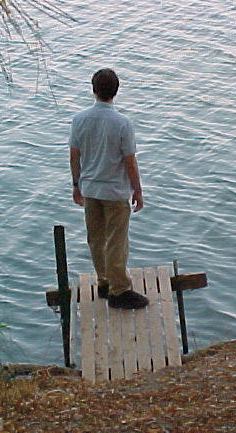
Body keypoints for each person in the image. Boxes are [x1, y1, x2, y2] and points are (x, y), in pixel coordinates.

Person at [69, 68, 149, 310]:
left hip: (90, 189)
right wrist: (137, 190)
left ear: (93, 90)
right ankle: (119, 290)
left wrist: (76, 184)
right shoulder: (123, 123)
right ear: (116, 91)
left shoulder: (79, 119)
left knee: (96, 239)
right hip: (115, 192)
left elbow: (74, 155)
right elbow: (130, 161)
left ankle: (104, 282)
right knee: (116, 242)